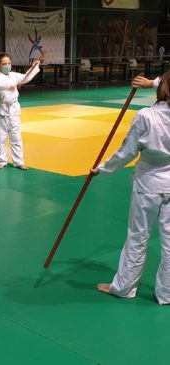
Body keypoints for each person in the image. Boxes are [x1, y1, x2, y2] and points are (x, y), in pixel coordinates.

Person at [91, 71, 170, 305]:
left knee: (138, 236)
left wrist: (102, 168)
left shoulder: (146, 116)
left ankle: (124, 287)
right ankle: (166, 293)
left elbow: (126, 152)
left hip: (148, 184)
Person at [0, 52, 41, 170]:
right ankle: (1, 161)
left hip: (14, 108)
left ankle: (18, 162)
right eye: (4, 64)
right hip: (2, 109)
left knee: (16, 136)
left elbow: (25, 78)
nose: (7, 65)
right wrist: (14, 84)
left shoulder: (13, 75)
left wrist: (34, 66)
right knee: (1, 137)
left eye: (9, 63)